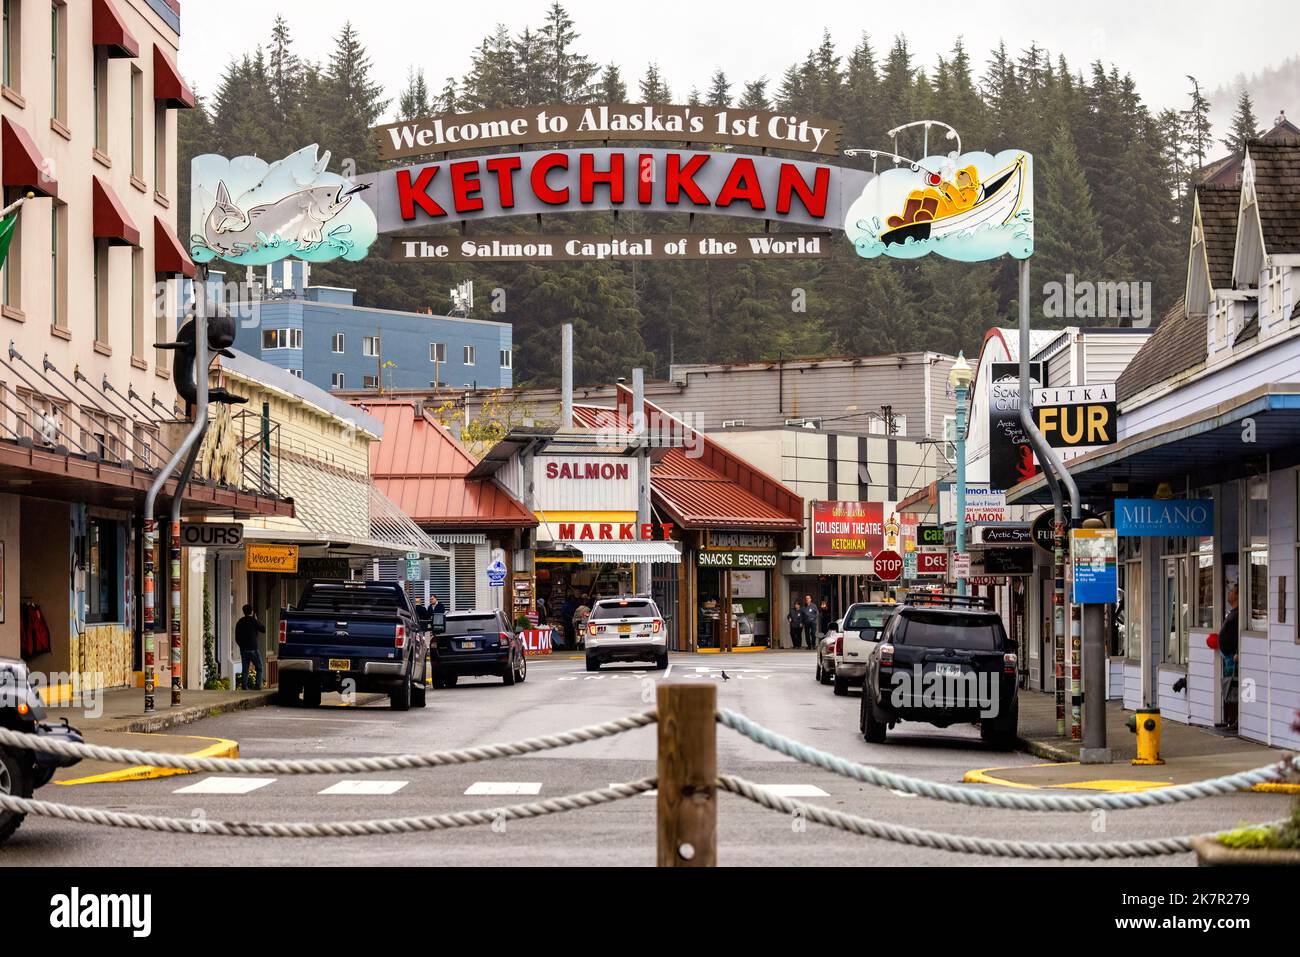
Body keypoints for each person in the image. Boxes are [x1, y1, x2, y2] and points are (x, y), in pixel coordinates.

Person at [1217, 582, 1240, 731]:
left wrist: (1238, 652)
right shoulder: (1232, 612)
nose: (1229, 593)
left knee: (1233, 688)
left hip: (1233, 657)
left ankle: (1235, 720)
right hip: (1227, 656)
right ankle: (1229, 718)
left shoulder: (1239, 614)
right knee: (1227, 687)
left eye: (1232, 591)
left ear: (1238, 595)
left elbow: (1239, 636)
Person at [234, 604, 266, 691]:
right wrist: (256, 620)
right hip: (253, 649)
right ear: (251, 612)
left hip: (243, 649)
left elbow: (236, 637)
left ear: (243, 612)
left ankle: (244, 686)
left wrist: (242, 646)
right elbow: (263, 629)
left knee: (245, 668)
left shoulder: (239, 622)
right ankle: (258, 685)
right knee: (259, 667)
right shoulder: (253, 621)